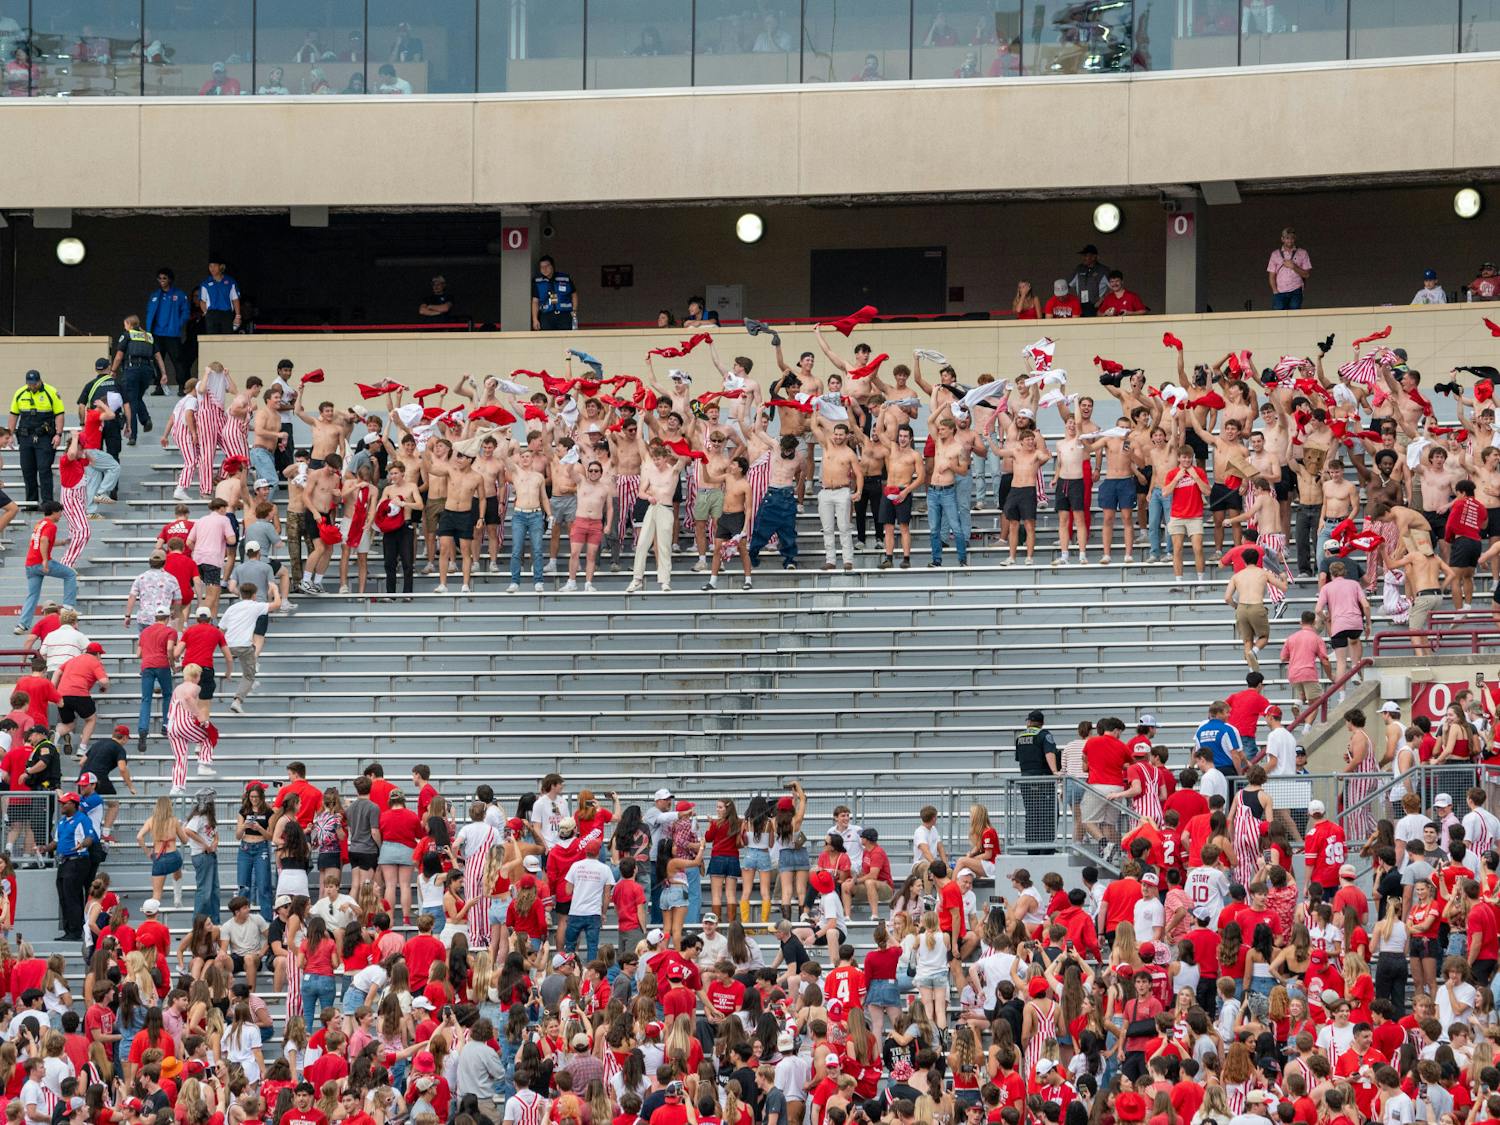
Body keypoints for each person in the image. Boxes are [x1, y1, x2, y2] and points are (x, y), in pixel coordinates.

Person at [15, 503, 76, 635]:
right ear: (54, 512)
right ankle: (67, 607)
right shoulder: (51, 525)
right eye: (60, 512)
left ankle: (22, 625)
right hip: (40, 562)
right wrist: (44, 560)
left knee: (33, 595)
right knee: (70, 574)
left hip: (30, 564)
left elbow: (45, 540)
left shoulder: (40, 523)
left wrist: (63, 542)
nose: (61, 515)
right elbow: (43, 540)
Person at [7, 369, 65, 504]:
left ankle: (47, 503)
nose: (32, 386)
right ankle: (31, 504)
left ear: (40, 381)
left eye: (34, 383)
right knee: (27, 470)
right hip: (26, 437)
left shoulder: (51, 392)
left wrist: (58, 434)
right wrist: (10, 434)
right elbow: (13, 414)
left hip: (45, 437)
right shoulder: (20, 393)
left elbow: (59, 414)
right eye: (29, 383)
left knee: (44, 469)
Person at [51, 791, 99, 943]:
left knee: (72, 896)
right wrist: (44, 848)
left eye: (65, 803)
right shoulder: (62, 821)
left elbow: (90, 837)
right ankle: (69, 930)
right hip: (64, 862)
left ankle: (76, 930)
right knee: (64, 896)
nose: (62, 806)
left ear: (73, 804)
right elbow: (56, 842)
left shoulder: (82, 819)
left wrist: (81, 845)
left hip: (77, 861)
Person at [1267, 227, 1311, 309]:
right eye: (1287, 238)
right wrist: (1275, 291)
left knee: (1294, 316)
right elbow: (1271, 276)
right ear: (1282, 239)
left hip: (1296, 291)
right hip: (1280, 291)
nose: (1290, 241)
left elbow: (1306, 275)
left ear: (1295, 239)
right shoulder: (1275, 254)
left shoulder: (1302, 253)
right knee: (1278, 316)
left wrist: (1294, 267)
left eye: (1292, 238)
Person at [197, 256, 242, 335]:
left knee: (227, 339)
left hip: (226, 314)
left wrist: (238, 316)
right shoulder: (205, 283)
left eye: (215, 265)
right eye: (210, 266)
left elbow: (235, 299)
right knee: (212, 340)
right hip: (212, 314)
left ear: (221, 267)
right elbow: (202, 301)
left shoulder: (230, 281)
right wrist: (206, 313)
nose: (212, 268)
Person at [532, 255, 577, 331]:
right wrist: (535, 319)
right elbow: (535, 301)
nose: (544, 269)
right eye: (542, 267)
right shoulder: (538, 281)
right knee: (548, 340)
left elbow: (574, 295)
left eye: (547, 266)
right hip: (546, 315)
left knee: (565, 340)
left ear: (552, 266)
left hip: (564, 314)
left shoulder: (564, 278)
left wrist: (574, 311)